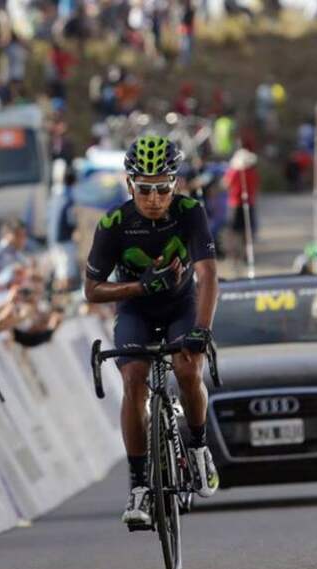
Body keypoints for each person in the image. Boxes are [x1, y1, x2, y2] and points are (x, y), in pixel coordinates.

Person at [83, 134, 219, 528]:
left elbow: (209, 276)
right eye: (145, 189)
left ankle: (197, 448)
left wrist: (203, 330)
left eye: (163, 188)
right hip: (136, 308)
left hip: (182, 305)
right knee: (134, 379)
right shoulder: (114, 224)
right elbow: (91, 290)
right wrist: (139, 287)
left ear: (175, 184)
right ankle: (140, 484)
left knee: (188, 369)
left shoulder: (191, 212)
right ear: (130, 185)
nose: (155, 198)